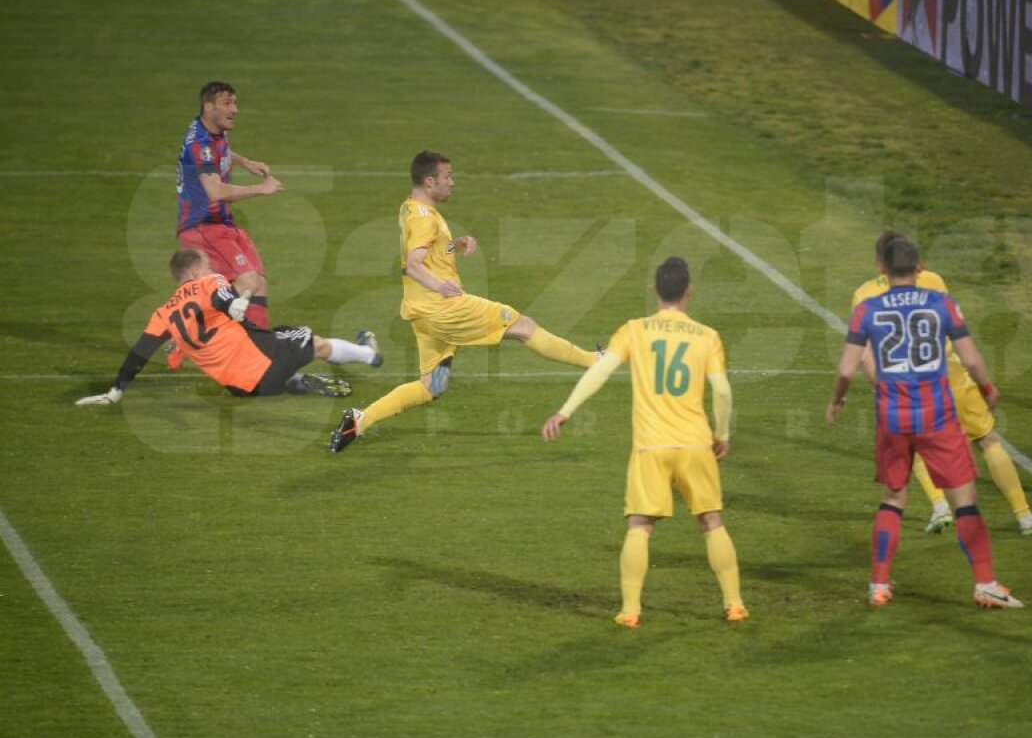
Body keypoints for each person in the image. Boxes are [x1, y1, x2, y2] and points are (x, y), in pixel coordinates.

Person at [329, 150, 599, 453]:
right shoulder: (424, 219)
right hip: (446, 310)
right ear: (430, 181)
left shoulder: (410, 208)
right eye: (448, 177)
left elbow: (424, 253)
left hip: (422, 315)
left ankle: (359, 420)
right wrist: (440, 286)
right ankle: (595, 362)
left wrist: (452, 245)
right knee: (523, 326)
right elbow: (413, 265)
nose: (453, 183)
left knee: (432, 387)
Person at [542, 257, 748, 628]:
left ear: (655, 291)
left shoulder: (635, 330)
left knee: (640, 524)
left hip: (651, 446)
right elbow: (721, 389)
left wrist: (565, 411)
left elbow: (601, 370)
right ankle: (734, 605)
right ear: (689, 292)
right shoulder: (707, 336)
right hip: (695, 444)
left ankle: (631, 610)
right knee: (711, 520)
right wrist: (722, 435)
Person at [827, 235, 1023, 609]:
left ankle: (878, 585)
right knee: (964, 499)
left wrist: (836, 402)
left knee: (893, 498)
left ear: (882, 268)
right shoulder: (941, 304)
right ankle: (985, 583)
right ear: (919, 267)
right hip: (937, 416)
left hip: (892, 417)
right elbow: (970, 358)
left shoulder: (865, 309)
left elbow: (846, 368)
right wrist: (987, 388)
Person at [851, 231, 1032, 536]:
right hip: (950, 377)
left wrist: (877, 384)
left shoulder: (864, 294)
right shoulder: (934, 281)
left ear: (881, 263)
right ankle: (1025, 517)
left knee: (913, 445)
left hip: (905, 387)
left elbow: (865, 354)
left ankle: (940, 506)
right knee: (987, 439)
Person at [76, 249, 381, 404]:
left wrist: (117, 390)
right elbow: (222, 297)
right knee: (313, 341)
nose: (211, 269)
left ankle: (297, 382)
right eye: (207, 265)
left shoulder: (163, 313)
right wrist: (231, 303)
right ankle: (369, 355)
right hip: (264, 361)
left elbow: (139, 354)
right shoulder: (210, 282)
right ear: (195, 270)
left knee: (280, 334)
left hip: (243, 389)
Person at [176, 81, 283, 339]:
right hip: (204, 226)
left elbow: (220, 150)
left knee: (258, 284)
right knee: (247, 282)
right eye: (227, 103)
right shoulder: (199, 145)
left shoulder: (211, 129)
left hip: (221, 223)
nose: (234, 109)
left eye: (235, 103)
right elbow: (215, 191)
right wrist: (260, 189)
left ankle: (259, 348)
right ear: (208, 106)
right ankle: (189, 325)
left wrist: (245, 162)